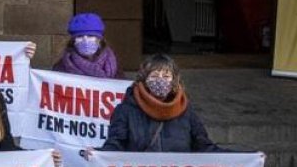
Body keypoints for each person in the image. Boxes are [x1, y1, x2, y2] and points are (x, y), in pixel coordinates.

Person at [93, 54, 227, 152]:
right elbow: (115, 145)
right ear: (144, 80)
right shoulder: (126, 111)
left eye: (166, 76)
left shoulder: (186, 111)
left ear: (174, 81)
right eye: (154, 76)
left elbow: (204, 146)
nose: (160, 80)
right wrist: (98, 154)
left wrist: (236, 157)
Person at [53, 12, 120, 78]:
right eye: (80, 36)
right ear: (73, 41)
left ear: (99, 40)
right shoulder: (61, 67)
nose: (85, 40)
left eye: (90, 36)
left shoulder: (114, 64)